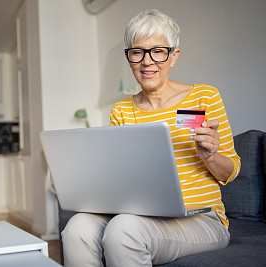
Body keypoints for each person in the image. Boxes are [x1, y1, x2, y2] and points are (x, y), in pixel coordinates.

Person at [62, 9, 241, 267]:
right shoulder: (121, 111)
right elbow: (120, 178)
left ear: (173, 56)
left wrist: (211, 156)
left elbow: (230, 172)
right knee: (77, 227)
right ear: (129, 58)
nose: (147, 61)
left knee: (124, 228)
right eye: (137, 52)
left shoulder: (204, 97)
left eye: (158, 51)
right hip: (141, 214)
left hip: (201, 219)